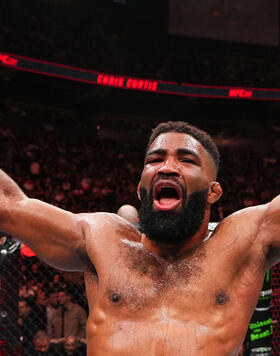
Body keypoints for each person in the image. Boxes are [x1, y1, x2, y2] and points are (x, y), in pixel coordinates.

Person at [0, 120, 279, 355]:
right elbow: (9, 205)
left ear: (213, 191)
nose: (166, 167)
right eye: (155, 159)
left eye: (186, 160)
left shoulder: (246, 240)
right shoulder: (100, 239)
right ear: (140, 188)